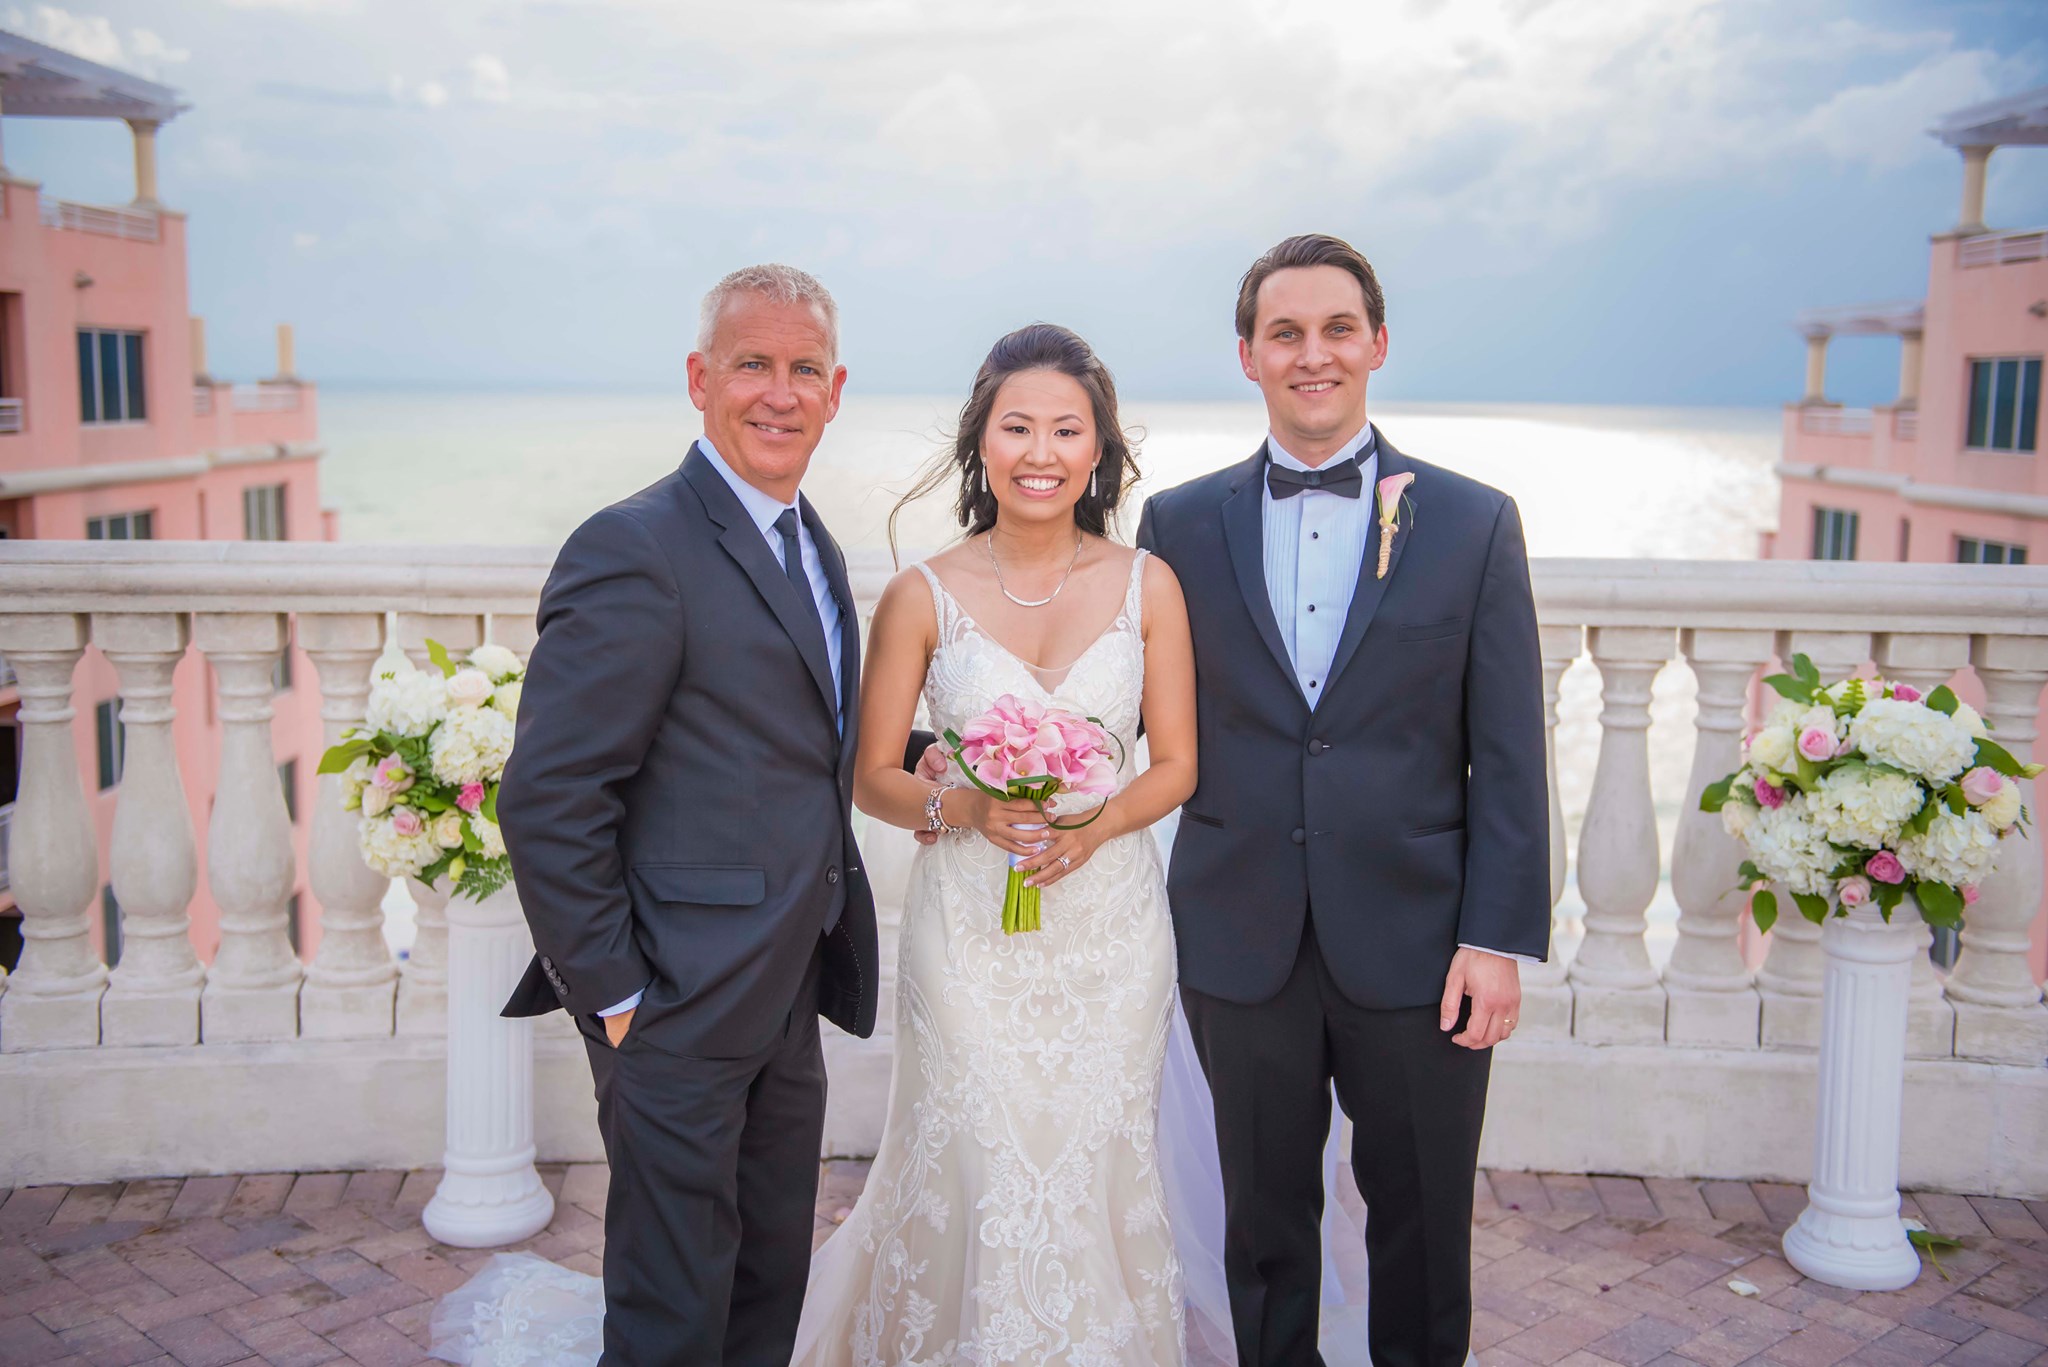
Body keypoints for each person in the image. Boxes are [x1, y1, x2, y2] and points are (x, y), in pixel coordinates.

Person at [1133, 232, 1550, 1367]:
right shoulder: (1175, 524)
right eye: (1283, 332)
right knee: (1262, 1230)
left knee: (1421, 1222)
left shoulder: (1472, 522)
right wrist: (958, 747)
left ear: (1373, 344)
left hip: (1420, 942)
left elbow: (1509, 752)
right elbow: (1114, 703)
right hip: (1236, 931)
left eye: (1332, 330)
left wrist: (1495, 938)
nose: (1309, 354)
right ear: (1247, 355)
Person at [489, 263, 880, 1367]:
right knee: (671, 1309)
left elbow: (795, 742)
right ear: (700, 379)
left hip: (785, 988)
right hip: (669, 1003)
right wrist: (615, 995)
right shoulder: (636, 545)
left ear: (835, 388)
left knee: (766, 1285)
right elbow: (550, 795)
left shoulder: (814, 544)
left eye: (803, 368)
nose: (778, 391)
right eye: (752, 364)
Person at [791, 322, 1201, 1366]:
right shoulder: (921, 594)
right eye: (1016, 426)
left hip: (1109, 934)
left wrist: (1098, 820)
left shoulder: (1149, 583)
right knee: (981, 1158)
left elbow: (1174, 765)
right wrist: (966, 808)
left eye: (1067, 429)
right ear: (980, 441)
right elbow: (872, 773)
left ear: (1099, 449)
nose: (1040, 450)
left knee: (1095, 1160)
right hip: (968, 930)